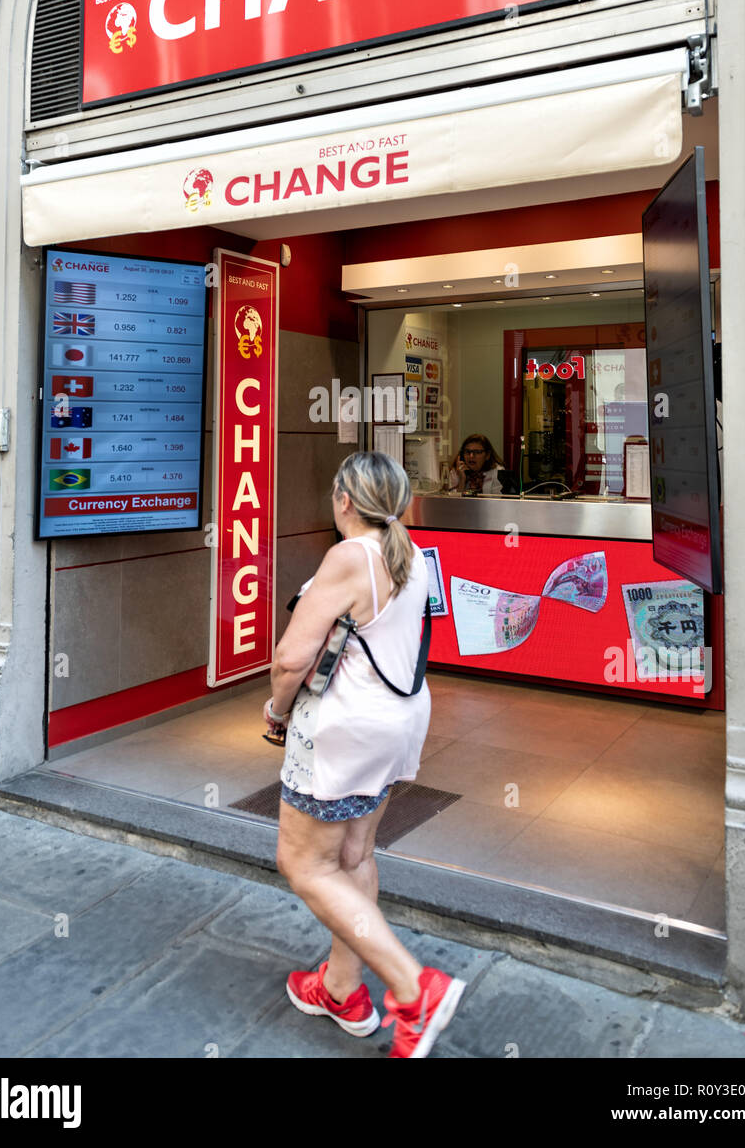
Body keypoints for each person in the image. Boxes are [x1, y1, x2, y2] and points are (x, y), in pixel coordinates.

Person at [264, 450, 466, 1058]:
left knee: (304, 865)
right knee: (354, 855)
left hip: (344, 729)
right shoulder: (412, 556)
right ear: (400, 502)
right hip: (398, 723)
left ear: (344, 500)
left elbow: (291, 660)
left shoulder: (349, 556)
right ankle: (341, 990)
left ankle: (414, 989)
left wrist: (275, 712)